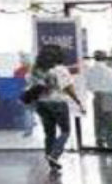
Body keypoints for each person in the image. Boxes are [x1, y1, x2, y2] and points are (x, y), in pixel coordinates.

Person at [31, 44, 84, 172]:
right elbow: (68, 88)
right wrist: (78, 101)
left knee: (49, 132)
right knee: (65, 131)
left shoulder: (36, 69)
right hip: (57, 102)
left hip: (41, 103)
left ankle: (51, 159)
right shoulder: (60, 69)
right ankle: (54, 155)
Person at [86, 50, 112, 148]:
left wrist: (95, 90)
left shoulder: (90, 70)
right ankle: (110, 141)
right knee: (110, 120)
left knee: (98, 119)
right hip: (108, 95)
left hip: (96, 95)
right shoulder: (108, 70)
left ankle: (99, 139)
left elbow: (88, 85)